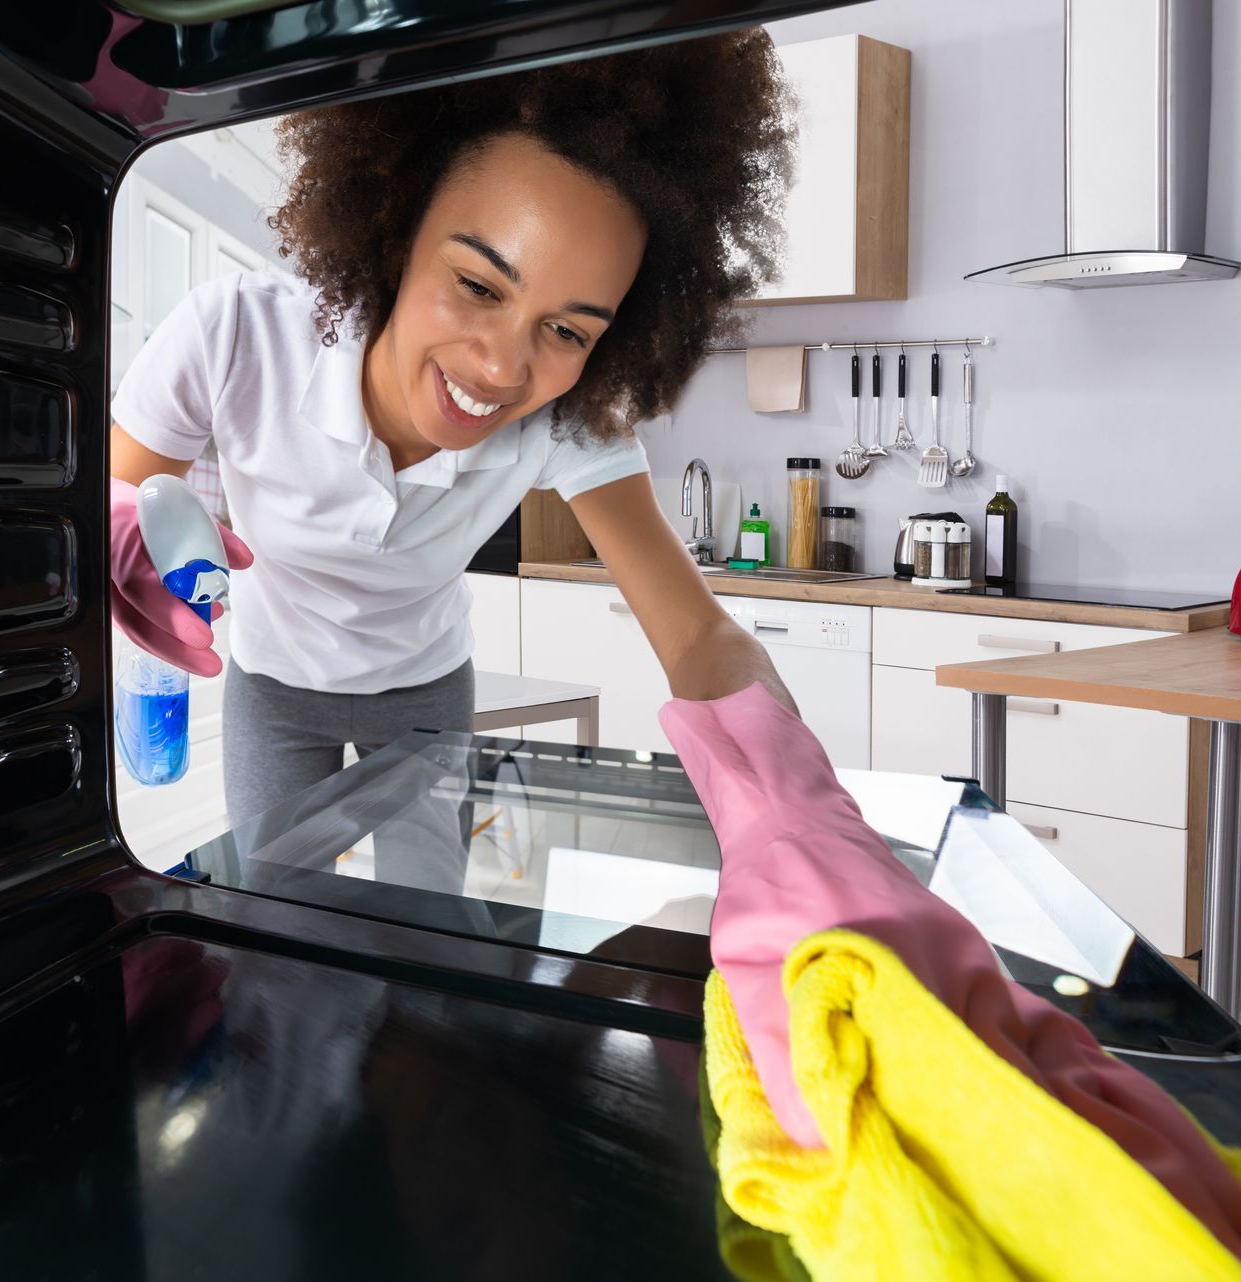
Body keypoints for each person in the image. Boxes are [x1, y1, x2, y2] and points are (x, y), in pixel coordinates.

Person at [109, 29, 798, 830]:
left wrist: (801, 802)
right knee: (277, 913)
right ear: (399, 234)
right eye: (477, 283)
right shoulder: (234, 335)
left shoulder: (567, 418)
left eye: (568, 331)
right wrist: (112, 533)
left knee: (427, 909)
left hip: (427, 693)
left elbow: (698, 634)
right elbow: (119, 500)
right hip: (274, 686)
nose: (504, 369)